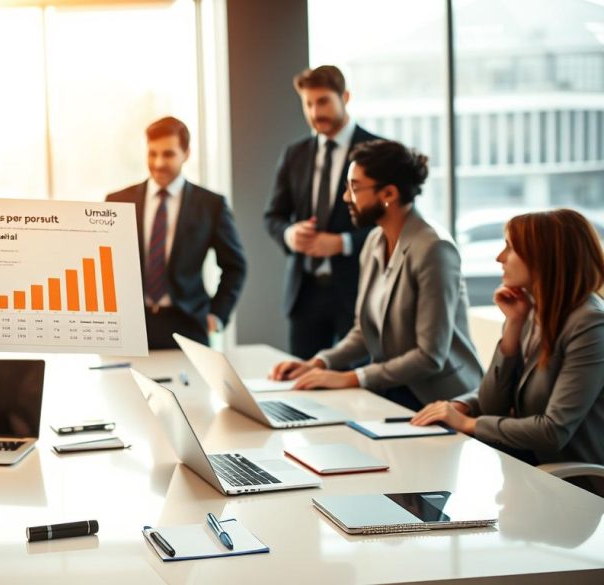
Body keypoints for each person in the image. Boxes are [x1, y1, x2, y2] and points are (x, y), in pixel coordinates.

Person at [269, 139, 483, 410]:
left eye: (354, 187)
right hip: (393, 391)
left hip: (440, 400)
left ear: (389, 194)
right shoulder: (374, 242)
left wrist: (350, 378)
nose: (346, 197)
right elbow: (364, 331)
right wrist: (319, 362)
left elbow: (430, 356)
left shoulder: (433, 248)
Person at [412, 209, 604, 496]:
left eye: (510, 247)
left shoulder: (589, 324)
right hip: (524, 472)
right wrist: (512, 328)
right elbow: (492, 405)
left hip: (573, 486)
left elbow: (553, 431)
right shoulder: (532, 311)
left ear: (544, 256)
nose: (500, 257)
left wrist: (469, 423)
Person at [264, 65, 381, 360]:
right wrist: (290, 235)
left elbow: (390, 221)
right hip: (304, 294)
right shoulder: (295, 154)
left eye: (324, 101)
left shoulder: (376, 152)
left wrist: (342, 243)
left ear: (346, 97)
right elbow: (273, 216)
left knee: (353, 386)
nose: (316, 112)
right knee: (303, 383)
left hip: (356, 292)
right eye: (309, 103)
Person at [106, 116, 246, 349]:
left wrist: (218, 315)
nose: (159, 163)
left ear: (186, 153)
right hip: (129, 325)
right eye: (152, 154)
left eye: (168, 154)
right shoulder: (117, 202)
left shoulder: (212, 205)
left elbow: (235, 266)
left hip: (188, 324)